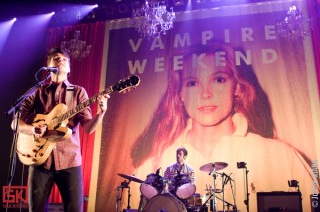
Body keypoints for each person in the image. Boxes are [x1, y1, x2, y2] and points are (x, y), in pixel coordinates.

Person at [128, 41, 319, 211]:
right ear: (180, 93)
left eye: (218, 79)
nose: (205, 94)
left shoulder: (282, 157)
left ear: (236, 87)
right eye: (193, 82)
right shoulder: (152, 167)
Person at [15, 47, 110, 212]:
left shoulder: (78, 92)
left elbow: (88, 128)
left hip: (70, 161)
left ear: (69, 69)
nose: (60, 61)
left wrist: (101, 113)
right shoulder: (37, 92)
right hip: (40, 160)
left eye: (64, 59)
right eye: (56, 58)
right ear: (48, 65)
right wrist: (32, 129)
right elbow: (15, 122)